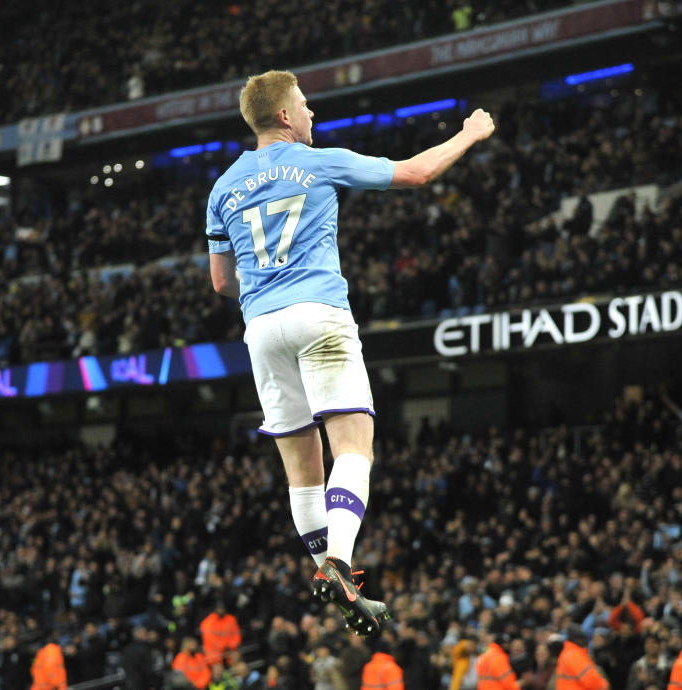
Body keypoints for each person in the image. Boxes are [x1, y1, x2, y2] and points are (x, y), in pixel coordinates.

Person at [207, 69, 494, 638]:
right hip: (319, 315)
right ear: (285, 116)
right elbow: (416, 172)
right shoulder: (317, 161)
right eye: (306, 106)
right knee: (353, 443)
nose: (313, 114)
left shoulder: (222, 189)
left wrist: (269, 286)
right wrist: (470, 133)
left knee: (301, 470)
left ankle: (331, 579)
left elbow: (220, 282)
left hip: (261, 327)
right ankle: (339, 561)